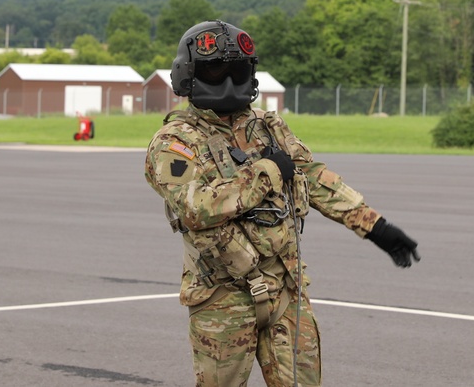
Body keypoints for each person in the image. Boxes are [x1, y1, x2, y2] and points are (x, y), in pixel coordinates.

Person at [145, 20, 420, 387]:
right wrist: (267, 171)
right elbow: (194, 207)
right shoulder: (175, 142)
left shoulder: (269, 128)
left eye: (237, 69)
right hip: (223, 298)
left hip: (287, 291)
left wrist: (374, 226)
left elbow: (315, 178)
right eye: (215, 69)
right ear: (189, 75)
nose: (227, 79)